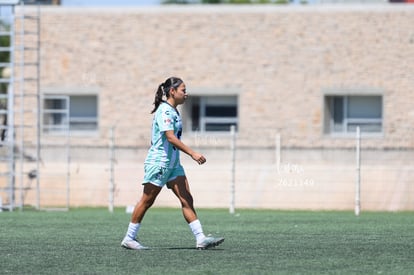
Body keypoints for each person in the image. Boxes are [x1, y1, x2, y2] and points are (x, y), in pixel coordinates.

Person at [121, 77, 224, 250]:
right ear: (172, 92)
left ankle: (200, 238)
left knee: (187, 198)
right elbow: (170, 137)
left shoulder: (174, 111)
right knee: (147, 201)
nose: (186, 93)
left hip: (173, 165)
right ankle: (129, 238)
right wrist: (192, 152)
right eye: (183, 90)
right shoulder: (165, 111)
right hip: (160, 163)